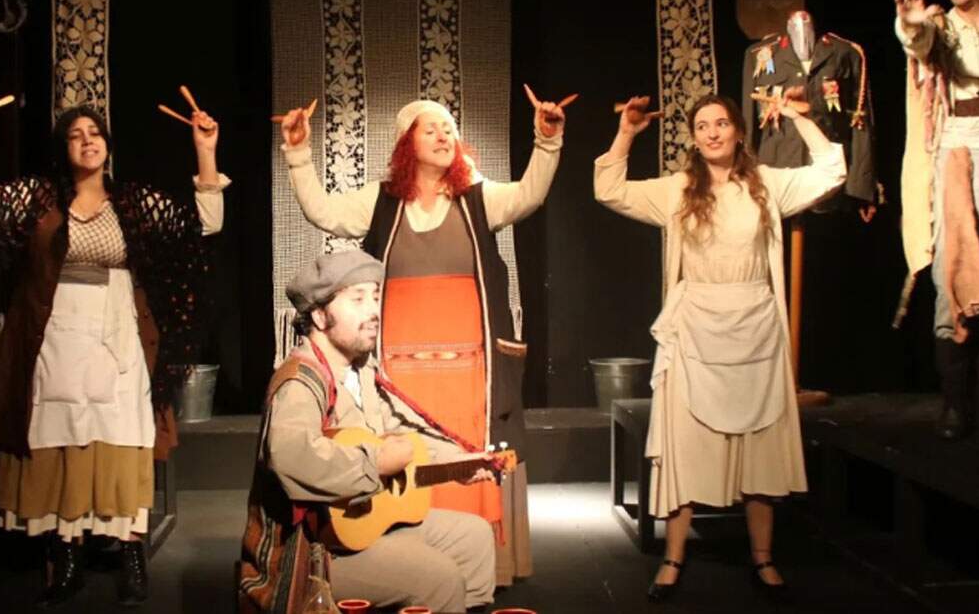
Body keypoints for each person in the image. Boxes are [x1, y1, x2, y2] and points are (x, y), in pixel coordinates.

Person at [0, 92, 229, 607]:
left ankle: (131, 552)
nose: (87, 141)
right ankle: (67, 555)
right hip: (53, 336)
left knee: (122, 436)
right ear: (63, 148)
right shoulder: (37, 201)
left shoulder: (133, 204)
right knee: (61, 435)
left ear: (108, 145)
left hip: (117, 333)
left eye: (95, 133)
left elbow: (205, 223)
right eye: (76, 135)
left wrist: (205, 151)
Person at [276, 91, 567, 583]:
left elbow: (529, 195)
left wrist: (547, 141)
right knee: (410, 446)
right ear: (407, 144)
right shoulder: (381, 200)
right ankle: (415, 559)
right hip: (402, 368)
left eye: (448, 129)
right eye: (430, 129)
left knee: (464, 449)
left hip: (470, 369)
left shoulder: (478, 196)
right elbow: (322, 211)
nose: (443, 136)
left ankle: (478, 564)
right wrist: (299, 153)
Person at [594, 92, 845, 601]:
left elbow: (832, 171)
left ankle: (763, 558)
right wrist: (626, 133)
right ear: (693, 137)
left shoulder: (767, 185)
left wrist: (798, 118)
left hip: (755, 329)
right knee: (686, 447)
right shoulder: (678, 190)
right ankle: (673, 559)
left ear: (738, 131)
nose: (712, 133)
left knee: (758, 449)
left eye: (722, 123)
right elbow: (609, 189)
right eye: (703, 126)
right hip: (695, 330)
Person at [238, 249, 496, 613]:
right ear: (319, 315)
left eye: (375, 297)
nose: (373, 310)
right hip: (312, 552)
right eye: (357, 299)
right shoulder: (300, 381)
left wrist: (459, 462)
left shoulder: (362, 372)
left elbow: (403, 432)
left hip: (362, 528)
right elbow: (291, 456)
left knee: (474, 538)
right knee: (439, 578)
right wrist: (375, 463)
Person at [896, 0, 979, 439]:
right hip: (958, 141)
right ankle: (954, 403)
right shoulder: (940, 24)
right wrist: (911, 27)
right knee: (952, 264)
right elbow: (922, 43)